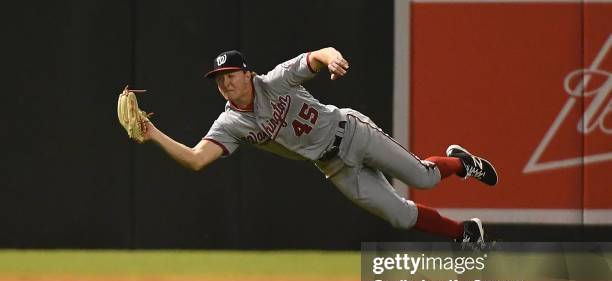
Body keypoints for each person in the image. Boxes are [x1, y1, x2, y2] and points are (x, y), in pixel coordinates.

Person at [139, 48, 498, 243]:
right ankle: (465, 233)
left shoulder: (274, 81)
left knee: (424, 178)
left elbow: (317, 55)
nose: (225, 83)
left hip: (353, 132)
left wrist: (332, 59)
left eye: (230, 75)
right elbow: (196, 160)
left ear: (247, 73)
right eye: (219, 79)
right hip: (333, 167)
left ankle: (461, 163)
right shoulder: (229, 123)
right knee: (401, 217)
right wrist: (153, 132)